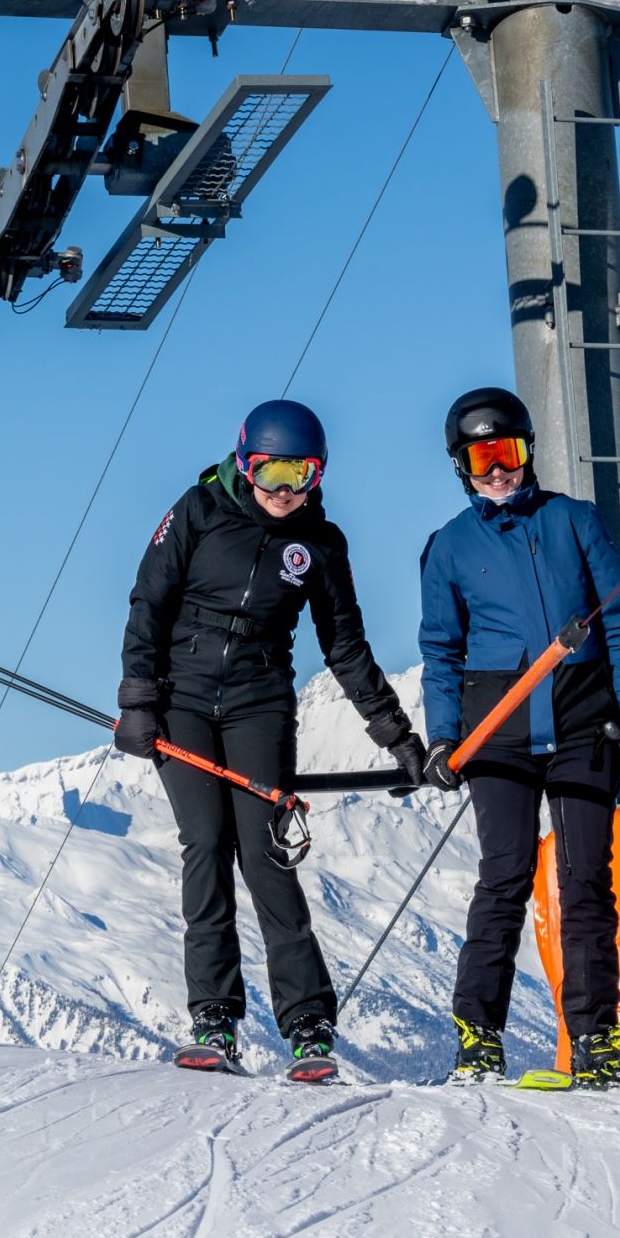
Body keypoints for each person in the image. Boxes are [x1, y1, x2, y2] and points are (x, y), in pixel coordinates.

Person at [116, 398, 426, 1076]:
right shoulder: (196, 511)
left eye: (301, 475)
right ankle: (215, 1021)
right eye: (271, 472)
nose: (284, 491)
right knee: (206, 844)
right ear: (243, 462)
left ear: (319, 475)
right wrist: (139, 700)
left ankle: (308, 1023)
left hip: (260, 702)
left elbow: (345, 648)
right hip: (185, 701)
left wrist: (395, 735)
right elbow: (149, 603)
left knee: (266, 853)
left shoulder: (320, 544)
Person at [419, 387, 620, 1088]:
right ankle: (479, 1037)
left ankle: (594, 1041)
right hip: (499, 725)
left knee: (586, 881)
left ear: (529, 451)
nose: (498, 470)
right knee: (505, 876)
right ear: (460, 466)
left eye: (509, 452)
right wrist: (442, 738)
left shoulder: (575, 522)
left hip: (584, 718)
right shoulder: (449, 549)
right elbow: (441, 650)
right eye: (482, 456)